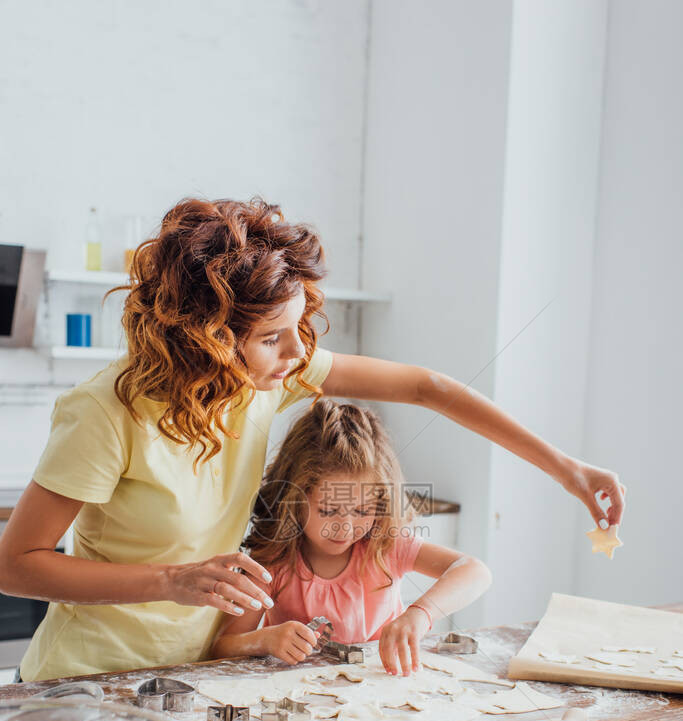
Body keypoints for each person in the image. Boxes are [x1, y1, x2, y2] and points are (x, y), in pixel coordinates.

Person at [0, 198, 624, 683]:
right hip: (89, 678)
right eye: (274, 336)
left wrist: (566, 469)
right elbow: (16, 564)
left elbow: (429, 388)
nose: (300, 353)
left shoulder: (265, 376)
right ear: (206, 338)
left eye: (299, 326)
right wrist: (170, 580)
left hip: (194, 674)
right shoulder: (106, 412)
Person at [210, 399, 492, 676]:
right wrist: (267, 640)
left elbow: (475, 571)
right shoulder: (272, 561)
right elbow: (221, 647)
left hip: (377, 694)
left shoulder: (385, 544)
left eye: (362, 510)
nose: (344, 528)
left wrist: (421, 613)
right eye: (328, 510)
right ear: (293, 500)